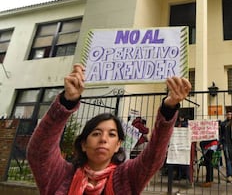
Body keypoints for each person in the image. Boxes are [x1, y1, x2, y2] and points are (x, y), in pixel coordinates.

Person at [27, 63, 191, 195]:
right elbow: (40, 151)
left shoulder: (127, 176)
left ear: (118, 144)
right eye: (96, 133)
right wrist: (67, 101)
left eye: (112, 134)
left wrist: (169, 107)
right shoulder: (61, 176)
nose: (103, 139)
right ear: (83, 144)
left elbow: (154, 155)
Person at [220, 111, 232, 182]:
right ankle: (229, 175)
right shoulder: (223, 124)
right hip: (226, 143)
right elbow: (221, 134)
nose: (229, 116)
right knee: (228, 159)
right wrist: (221, 143)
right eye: (228, 114)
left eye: (230, 114)